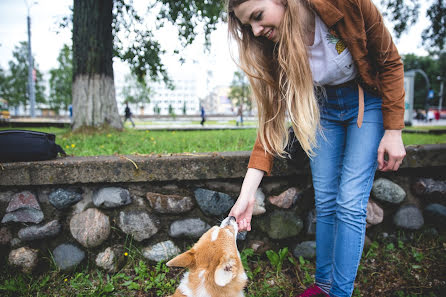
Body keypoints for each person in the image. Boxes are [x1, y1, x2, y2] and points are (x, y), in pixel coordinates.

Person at [226, 1, 406, 296]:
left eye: (258, 17)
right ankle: (323, 287)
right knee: (325, 200)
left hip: (366, 102)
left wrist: (394, 130)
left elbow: (389, 62)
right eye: (249, 26)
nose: (256, 31)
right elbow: (270, 126)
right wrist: (246, 195)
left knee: (349, 202)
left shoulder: (345, 5)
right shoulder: (273, 47)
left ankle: (339, 293)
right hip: (321, 110)